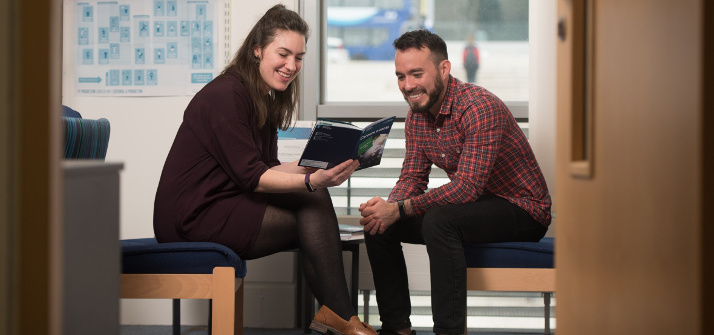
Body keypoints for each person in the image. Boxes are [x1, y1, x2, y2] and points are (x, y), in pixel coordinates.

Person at [153, 5, 375, 335]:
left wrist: (314, 166)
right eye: (283, 54)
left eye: (298, 57)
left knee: (311, 200)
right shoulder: (226, 94)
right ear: (258, 49)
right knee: (311, 202)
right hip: (192, 217)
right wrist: (313, 180)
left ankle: (338, 317)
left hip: (224, 202)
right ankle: (341, 318)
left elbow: (265, 167)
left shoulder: (261, 96)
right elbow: (253, 178)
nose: (291, 66)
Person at [358, 30, 551, 335]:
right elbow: (412, 177)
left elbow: (467, 188)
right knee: (378, 224)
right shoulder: (416, 117)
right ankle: (397, 329)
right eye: (401, 76)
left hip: (522, 208)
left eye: (416, 74)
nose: (408, 86)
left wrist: (401, 208)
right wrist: (388, 208)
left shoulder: (478, 107)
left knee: (439, 221)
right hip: (473, 209)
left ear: (444, 69)